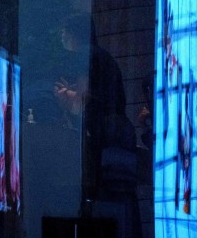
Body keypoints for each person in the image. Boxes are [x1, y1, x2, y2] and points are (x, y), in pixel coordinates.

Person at [53, 12, 141, 236]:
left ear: (76, 33)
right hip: (117, 146)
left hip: (102, 150)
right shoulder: (105, 57)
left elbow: (86, 102)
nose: (62, 35)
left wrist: (66, 98)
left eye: (65, 30)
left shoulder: (86, 56)